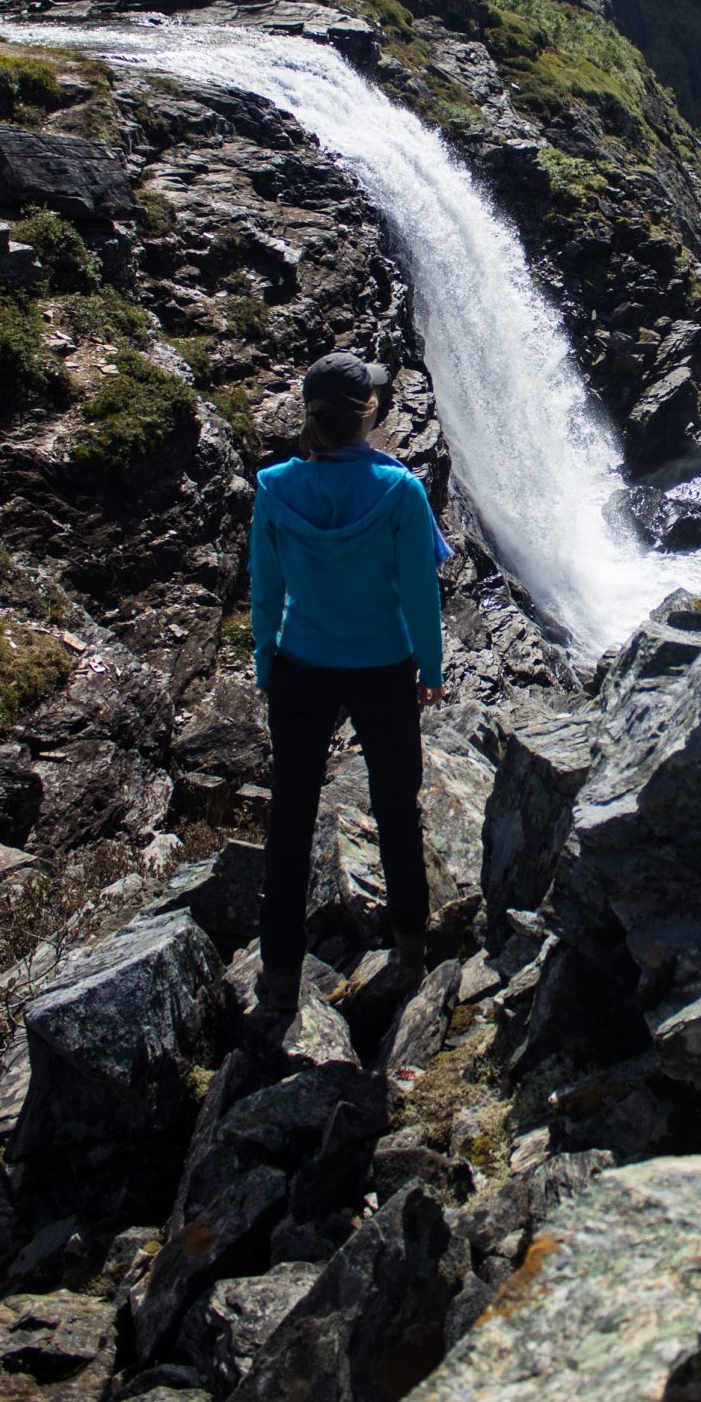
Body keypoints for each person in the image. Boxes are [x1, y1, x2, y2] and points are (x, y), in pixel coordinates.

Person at [249, 350, 449, 1014]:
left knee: (291, 816)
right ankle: (410, 945)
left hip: (301, 663)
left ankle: (279, 971)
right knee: (396, 805)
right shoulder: (400, 491)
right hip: (384, 665)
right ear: (371, 413)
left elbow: (265, 587)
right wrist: (431, 665)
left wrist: (264, 661)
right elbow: (421, 592)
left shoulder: (275, 487)